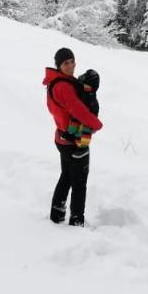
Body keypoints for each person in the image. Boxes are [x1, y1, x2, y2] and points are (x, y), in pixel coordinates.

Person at [43, 48, 102, 226]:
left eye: (72, 61)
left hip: (62, 138)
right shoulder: (64, 86)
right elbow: (78, 110)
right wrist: (97, 124)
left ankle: (57, 214)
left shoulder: (55, 82)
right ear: (58, 65)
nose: (70, 66)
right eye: (65, 63)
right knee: (79, 183)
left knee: (66, 177)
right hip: (75, 142)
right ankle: (76, 221)